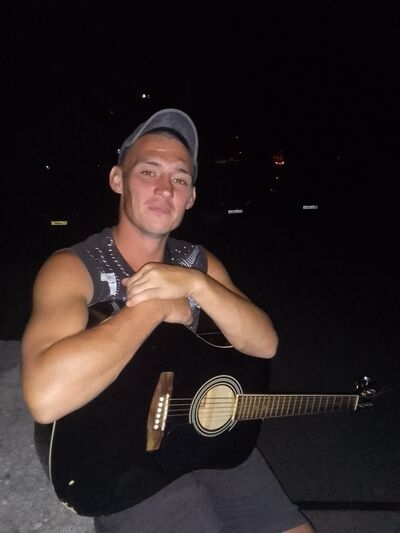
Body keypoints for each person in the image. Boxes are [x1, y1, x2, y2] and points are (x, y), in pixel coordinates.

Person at [21, 108, 313, 532]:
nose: (164, 188)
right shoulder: (74, 267)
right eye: (148, 171)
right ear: (118, 180)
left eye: (180, 178)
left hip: (201, 440)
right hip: (122, 467)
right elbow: (45, 397)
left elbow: (264, 343)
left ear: (190, 197)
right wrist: (156, 307)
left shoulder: (198, 261)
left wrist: (195, 286)